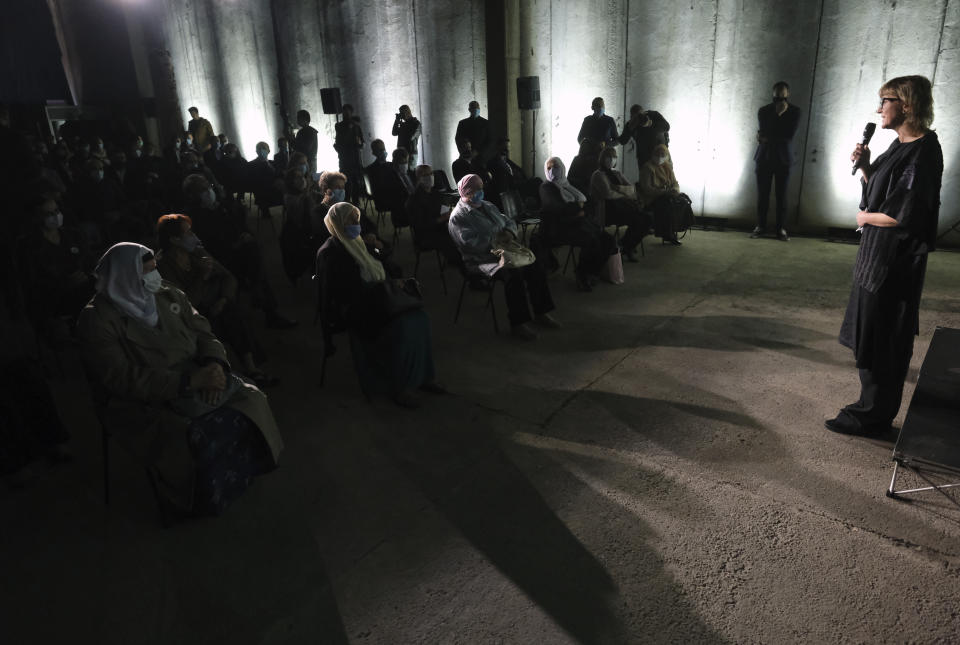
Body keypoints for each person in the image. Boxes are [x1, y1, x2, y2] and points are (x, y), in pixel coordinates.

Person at [78, 242, 283, 515]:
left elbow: (203, 332)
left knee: (251, 398)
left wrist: (215, 365)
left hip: (197, 372)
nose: (155, 277)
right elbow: (121, 379)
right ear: (125, 277)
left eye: (155, 269)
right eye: (147, 272)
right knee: (192, 434)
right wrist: (188, 383)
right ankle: (199, 497)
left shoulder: (167, 293)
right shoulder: (97, 321)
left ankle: (242, 472)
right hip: (143, 400)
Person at [826, 75, 943, 437]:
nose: (879, 109)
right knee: (871, 332)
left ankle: (873, 415)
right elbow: (880, 198)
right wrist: (866, 168)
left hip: (894, 263)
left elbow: (904, 214)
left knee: (885, 335)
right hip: (876, 257)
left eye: (885, 100)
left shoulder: (923, 151)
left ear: (906, 104)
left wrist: (864, 219)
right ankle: (869, 406)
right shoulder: (898, 146)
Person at [315, 202, 444, 408]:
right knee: (401, 327)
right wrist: (384, 287)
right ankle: (400, 386)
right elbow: (344, 293)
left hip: (379, 299)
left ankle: (423, 377)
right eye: (350, 220)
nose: (356, 224)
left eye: (357, 219)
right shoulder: (331, 252)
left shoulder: (358, 241)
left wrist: (389, 270)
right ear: (337, 224)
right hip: (358, 308)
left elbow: (383, 262)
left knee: (420, 318)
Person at [156, 214, 277, 388]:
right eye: (188, 233)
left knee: (230, 311)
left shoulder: (196, 252)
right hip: (189, 314)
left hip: (216, 303)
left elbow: (229, 277)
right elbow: (184, 302)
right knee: (227, 318)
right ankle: (234, 372)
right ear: (174, 239)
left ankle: (250, 368)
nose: (194, 237)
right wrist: (202, 276)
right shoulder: (163, 266)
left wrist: (223, 299)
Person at [448, 174, 559, 341]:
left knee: (533, 265)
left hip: (504, 251)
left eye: (481, 188)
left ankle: (541, 312)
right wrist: (495, 239)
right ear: (467, 192)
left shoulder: (487, 205)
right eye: (476, 189)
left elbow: (508, 222)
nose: (480, 192)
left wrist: (508, 232)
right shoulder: (458, 216)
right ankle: (518, 323)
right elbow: (469, 244)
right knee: (513, 275)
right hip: (481, 260)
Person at [539, 157, 617, 291]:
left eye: (555, 167)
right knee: (590, 240)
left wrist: (580, 210)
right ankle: (582, 274)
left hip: (580, 222)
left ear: (562, 168)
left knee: (608, 240)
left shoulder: (570, 184)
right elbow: (558, 208)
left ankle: (593, 272)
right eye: (549, 168)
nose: (552, 171)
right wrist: (578, 207)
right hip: (560, 227)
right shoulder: (546, 187)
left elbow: (590, 202)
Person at [752, 81, 801, 241]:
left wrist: (767, 138)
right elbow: (764, 131)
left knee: (782, 195)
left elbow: (788, 135)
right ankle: (761, 226)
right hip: (764, 158)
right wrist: (777, 115)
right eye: (777, 94)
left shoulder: (795, 111)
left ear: (788, 94)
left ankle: (781, 229)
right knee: (762, 195)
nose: (780, 97)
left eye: (783, 93)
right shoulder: (764, 110)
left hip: (783, 159)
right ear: (773, 94)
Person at [590, 147, 650, 261]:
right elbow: (608, 194)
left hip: (623, 207)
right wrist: (623, 193)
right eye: (608, 157)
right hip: (608, 211)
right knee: (638, 220)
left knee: (647, 220)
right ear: (602, 158)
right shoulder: (598, 175)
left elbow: (632, 189)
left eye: (614, 157)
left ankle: (625, 246)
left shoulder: (616, 173)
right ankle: (626, 247)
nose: (611, 159)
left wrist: (618, 188)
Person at [405, 164, 461, 265]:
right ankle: (460, 264)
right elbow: (420, 225)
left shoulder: (435, 193)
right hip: (426, 235)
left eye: (431, 173)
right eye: (425, 175)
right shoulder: (414, 199)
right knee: (450, 239)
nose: (430, 177)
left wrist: (449, 214)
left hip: (440, 227)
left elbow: (442, 210)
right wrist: (441, 219)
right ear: (418, 178)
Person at [636, 144, 683, 245]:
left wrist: (675, 190)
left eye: (663, 155)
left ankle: (672, 231)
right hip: (651, 199)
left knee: (680, 201)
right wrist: (664, 192)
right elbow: (647, 189)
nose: (660, 157)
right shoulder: (647, 168)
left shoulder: (667, 167)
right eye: (658, 154)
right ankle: (667, 234)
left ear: (667, 156)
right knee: (667, 203)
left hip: (665, 196)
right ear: (653, 155)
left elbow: (675, 183)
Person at [334, 104, 365, 203]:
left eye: (348, 112)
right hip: (344, 158)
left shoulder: (356, 126)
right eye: (344, 112)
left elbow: (362, 141)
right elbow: (342, 140)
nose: (346, 114)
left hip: (355, 157)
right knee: (345, 181)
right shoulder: (339, 126)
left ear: (351, 113)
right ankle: (347, 200)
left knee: (356, 181)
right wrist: (350, 128)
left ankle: (356, 202)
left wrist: (361, 143)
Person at [455, 100, 492, 165]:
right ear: (469, 109)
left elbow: (489, 140)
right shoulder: (462, 123)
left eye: (477, 107)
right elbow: (458, 139)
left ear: (479, 109)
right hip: (465, 156)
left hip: (481, 157)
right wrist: (463, 151)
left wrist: (478, 151)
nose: (475, 109)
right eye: (473, 107)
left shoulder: (486, 123)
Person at [392, 105, 421, 171]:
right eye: (401, 113)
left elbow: (411, 137)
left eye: (402, 113)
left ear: (407, 112)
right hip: (401, 153)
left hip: (411, 153)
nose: (401, 115)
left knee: (410, 172)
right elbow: (394, 133)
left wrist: (402, 125)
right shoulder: (404, 124)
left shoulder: (416, 123)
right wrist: (396, 121)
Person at [293, 109, 319, 175]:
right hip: (306, 161)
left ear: (304, 119)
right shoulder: (302, 132)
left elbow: (306, 147)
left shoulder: (311, 132)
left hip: (309, 162)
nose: (297, 120)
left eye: (298, 118)